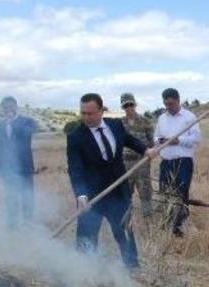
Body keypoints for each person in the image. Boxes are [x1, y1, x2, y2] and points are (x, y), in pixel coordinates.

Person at [66, 93, 159, 269]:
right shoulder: (75, 137)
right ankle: (83, 272)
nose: (86, 117)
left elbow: (128, 139)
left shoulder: (115, 125)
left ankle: (132, 267)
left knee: (124, 231)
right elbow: (75, 168)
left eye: (91, 113)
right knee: (86, 236)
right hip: (92, 197)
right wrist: (81, 195)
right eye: (83, 113)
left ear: (101, 110)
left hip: (118, 192)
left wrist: (145, 150)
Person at [153, 88, 201, 236]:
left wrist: (178, 140)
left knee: (181, 194)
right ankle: (166, 223)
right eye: (166, 104)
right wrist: (160, 140)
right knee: (165, 193)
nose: (168, 107)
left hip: (183, 162)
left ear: (178, 101)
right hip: (166, 162)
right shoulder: (162, 118)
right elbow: (155, 137)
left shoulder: (189, 117)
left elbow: (196, 139)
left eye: (171, 104)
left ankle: (178, 226)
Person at [0, 96, 37, 229]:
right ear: (3, 109)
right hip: (8, 169)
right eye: (5, 107)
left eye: (11, 106)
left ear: (16, 106)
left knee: (27, 197)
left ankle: (28, 224)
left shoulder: (27, 122)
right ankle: (12, 225)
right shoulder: (0, 126)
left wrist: (13, 122)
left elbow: (30, 131)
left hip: (25, 167)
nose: (8, 109)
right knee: (11, 198)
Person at [119, 93, 155, 219]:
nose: (129, 107)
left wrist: (148, 154)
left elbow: (152, 142)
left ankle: (148, 219)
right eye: (126, 105)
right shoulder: (119, 124)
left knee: (145, 192)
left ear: (135, 104)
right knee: (125, 193)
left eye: (131, 104)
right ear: (123, 107)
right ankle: (126, 220)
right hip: (125, 164)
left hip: (142, 162)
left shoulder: (145, 121)